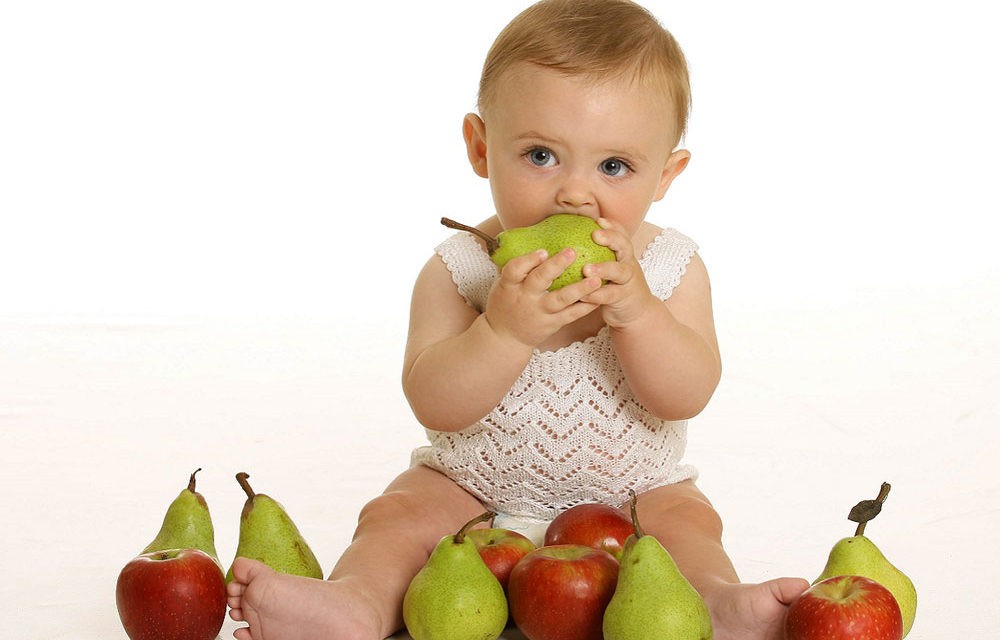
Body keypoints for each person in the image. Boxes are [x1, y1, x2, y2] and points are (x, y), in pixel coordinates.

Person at [226, 1, 809, 638]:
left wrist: (639, 313)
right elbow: (435, 403)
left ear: (666, 174)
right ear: (481, 147)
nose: (575, 193)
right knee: (397, 515)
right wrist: (502, 332)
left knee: (687, 524)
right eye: (540, 156)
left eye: (613, 166)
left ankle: (712, 604)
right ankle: (358, 603)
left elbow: (685, 394)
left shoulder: (669, 269)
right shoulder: (461, 271)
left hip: (634, 492)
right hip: (470, 487)